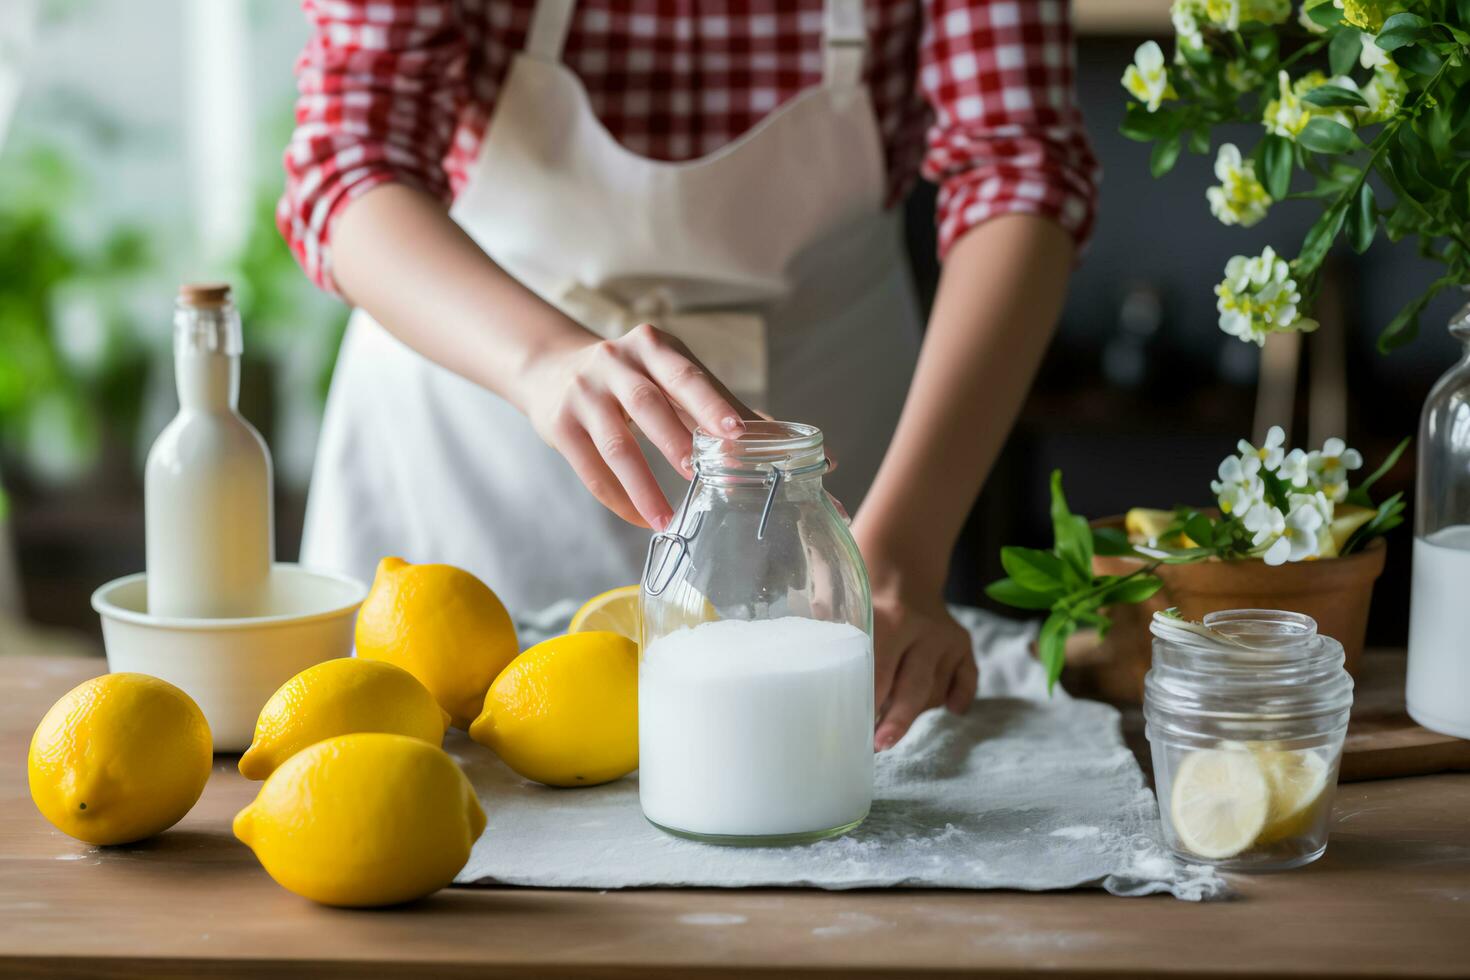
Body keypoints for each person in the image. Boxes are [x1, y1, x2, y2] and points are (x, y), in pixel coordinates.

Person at [279, 0, 1099, 749]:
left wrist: (897, 555)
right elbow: (349, 161)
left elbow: (1016, 169)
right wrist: (540, 362)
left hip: (830, 437)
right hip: (474, 416)